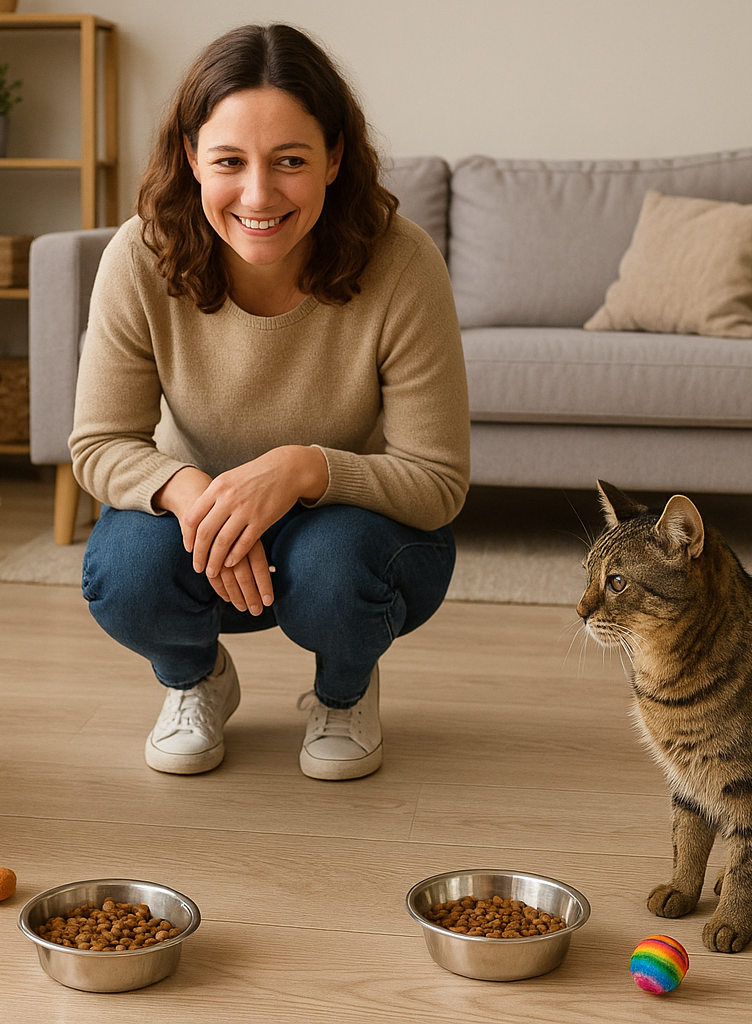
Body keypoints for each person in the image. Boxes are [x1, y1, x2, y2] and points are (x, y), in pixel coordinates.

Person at [69, 23, 468, 781]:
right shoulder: (139, 257)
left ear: (334, 158)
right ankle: (195, 682)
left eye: (290, 161)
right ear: (191, 158)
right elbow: (98, 445)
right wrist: (192, 494)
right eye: (228, 162)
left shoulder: (403, 263)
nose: (259, 195)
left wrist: (299, 471)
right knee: (123, 570)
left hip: (349, 539)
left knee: (334, 563)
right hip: (204, 531)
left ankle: (344, 691)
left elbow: (438, 480)